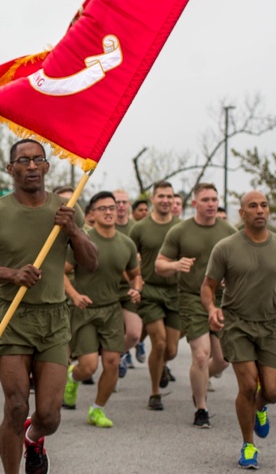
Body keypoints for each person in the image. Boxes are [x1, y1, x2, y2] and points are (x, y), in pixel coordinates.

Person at [0, 139, 97, 474]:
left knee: (48, 415)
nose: (32, 166)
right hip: (13, 316)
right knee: (16, 405)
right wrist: (11, 274)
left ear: (48, 166)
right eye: (23, 160)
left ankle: (34, 439)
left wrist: (74, 231)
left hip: (54, 319)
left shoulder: (67, 209)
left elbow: (91, 264)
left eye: (38, 160)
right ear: (11, 169)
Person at [202, 190, 276, 470]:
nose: (260, 210)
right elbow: (208, 286)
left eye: (264, 205)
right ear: (242, 213)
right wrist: (212, 310)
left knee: (274, 390)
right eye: (253, 206)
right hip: (236, 324)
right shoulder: (225, 247)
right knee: (247, 385)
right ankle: (248, 446)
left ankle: (260, 407)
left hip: (269, 325)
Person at [155, 183, 237, 428]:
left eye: (214, 199)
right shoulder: (180, 231)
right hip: (191, 297)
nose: (211, 204)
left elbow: (240, 263)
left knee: (223, 360)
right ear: (194, 204)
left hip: (222, 300)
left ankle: (198, 381)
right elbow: (159, 265)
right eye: (205, 200)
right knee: (201, 355)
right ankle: (201, 407)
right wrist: (175, 265)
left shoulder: (229, 231)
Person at [64, 191, 142, 428]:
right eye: (103, 209)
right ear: (91, 215)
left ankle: (97, 410)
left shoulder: (126, 243)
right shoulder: (81, 240)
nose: (110, 212)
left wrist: (136, 288)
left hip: (111, 310)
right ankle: (72, 377)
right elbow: (61, 271)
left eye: (113, 207)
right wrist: (75, 296)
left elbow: (135, 275)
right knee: (88, 366)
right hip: (86, 310)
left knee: (111, 363)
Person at [130, 181, 181, 411]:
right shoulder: (140, 228)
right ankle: (154, 392)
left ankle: (161, 368)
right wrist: (136, 283)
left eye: (169, 196)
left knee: (171, 350)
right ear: (153, 199)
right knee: (159, 343)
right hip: (150, 291)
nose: (165, 200)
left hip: (176, 293)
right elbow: (129, 259)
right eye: (161, 196)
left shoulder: (181, 228)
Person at [112, 189, 145, 374]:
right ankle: (113, 362)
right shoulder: (104, 226)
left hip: (131, 288)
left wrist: (138, 283)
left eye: (124, 202)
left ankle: (121, 354)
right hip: (107, 288)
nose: (121, 206)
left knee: (133, 334)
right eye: (117, 202)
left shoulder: (136, 228)